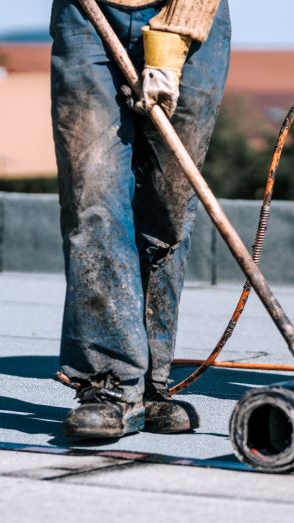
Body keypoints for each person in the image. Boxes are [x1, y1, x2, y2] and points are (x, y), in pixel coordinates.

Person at [51, 0, 230, 438]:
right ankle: (109, 382)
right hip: (87, 16)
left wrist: (173, 39)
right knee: (93, 195)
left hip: (193, 20)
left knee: (169, 209)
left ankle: (152, 383)